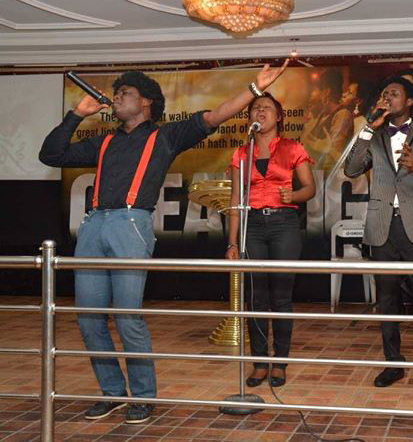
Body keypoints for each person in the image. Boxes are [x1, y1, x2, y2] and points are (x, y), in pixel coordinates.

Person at [38, 61, 288, 423]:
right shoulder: (104, 141)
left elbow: (216, 115)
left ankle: (143, 396)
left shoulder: (165, 136)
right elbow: (51, 154)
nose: (117, 97)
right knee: (89, 319)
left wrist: (254, 88)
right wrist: (77, 114)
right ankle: (112, 392)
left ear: (146, 103)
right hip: (93, 226)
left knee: (127, 317)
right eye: (117, 93)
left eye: (125, 93)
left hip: (131, 225)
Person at [344, 76, 413, 391]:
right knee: (387, 299)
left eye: (394, 93)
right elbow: (351, 169)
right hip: (382, 227)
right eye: (384, 92)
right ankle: (393, 363)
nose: (387, 96)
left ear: (409, 101)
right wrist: (368, 128)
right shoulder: (373, 135)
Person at [225, 93, 315, 388]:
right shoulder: (241, 153)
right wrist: (232, 242)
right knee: (256, 296)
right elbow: (235, 199)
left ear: (279, 117)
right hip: (251, 225)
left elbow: (310, 188)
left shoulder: (293, 148)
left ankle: (280, 363)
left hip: (283, 223)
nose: (260, 112)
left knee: (281, 296)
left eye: (266, 108)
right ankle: (260, 362)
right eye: (255, 108)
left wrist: (294, 195)